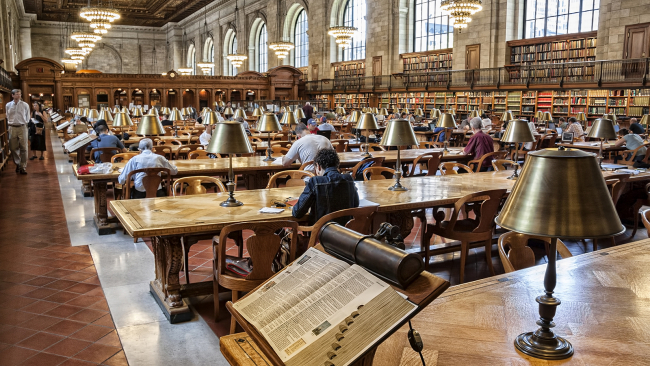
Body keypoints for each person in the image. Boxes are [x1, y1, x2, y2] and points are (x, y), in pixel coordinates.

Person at [292, 148, 359, 226]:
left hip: (321, 234)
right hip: (345, 233)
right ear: (337, 165)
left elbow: (297, 213)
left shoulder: (315, 181)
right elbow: (355, 205)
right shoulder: (349, 179)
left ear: (318, 166)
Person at [6, 89, 30, 174]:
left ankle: (23, 167)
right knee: (13, 147)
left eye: (19, 94)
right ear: (12, 95)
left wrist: (25, 123)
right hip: (12, 127)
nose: (18, 96)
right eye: (16, 94)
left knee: (24, 148)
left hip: (22, 127)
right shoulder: (8, 105)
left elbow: (28, 116)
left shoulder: (25, 105)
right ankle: (18, 163)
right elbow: (7, 115)